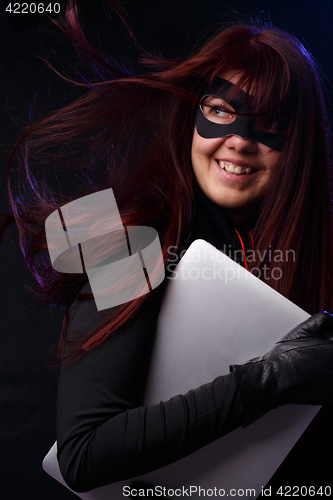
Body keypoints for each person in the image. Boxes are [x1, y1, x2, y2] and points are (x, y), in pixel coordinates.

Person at [3, 0, 333, 493]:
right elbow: (83, 455)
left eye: (271, 123)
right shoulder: (117, 233)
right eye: (220, 110)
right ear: (191, 118)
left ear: (300, 145)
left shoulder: (312, 255)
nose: (239, 140)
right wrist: (270, 380)